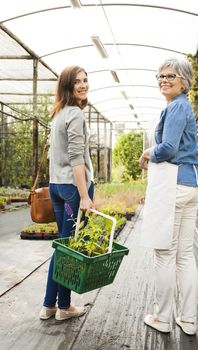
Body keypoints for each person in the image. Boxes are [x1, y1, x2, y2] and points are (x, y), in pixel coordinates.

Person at [139, 58, 198, 335]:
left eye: (171, 75)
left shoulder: (177, 106)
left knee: (165, 254)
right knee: (184, 255)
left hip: (176, 184)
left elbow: (167, 148)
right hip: (192, 184)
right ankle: (187, 319)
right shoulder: (182, 106)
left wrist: (147, 153)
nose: (164, 79)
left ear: (184, 82)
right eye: (160, 75)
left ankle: (163, 317)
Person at [39, 65, 94, 321]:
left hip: (57, 187)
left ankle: (49, 305)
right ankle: (64, 307)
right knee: (68, 249)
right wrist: (84, 195)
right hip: (72, 189)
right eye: (77, 82)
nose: (83, 85)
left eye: (85, 80)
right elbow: (76, 159)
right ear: (67, 86)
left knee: (62, 246)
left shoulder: (58, 113)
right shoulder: (75, 115)